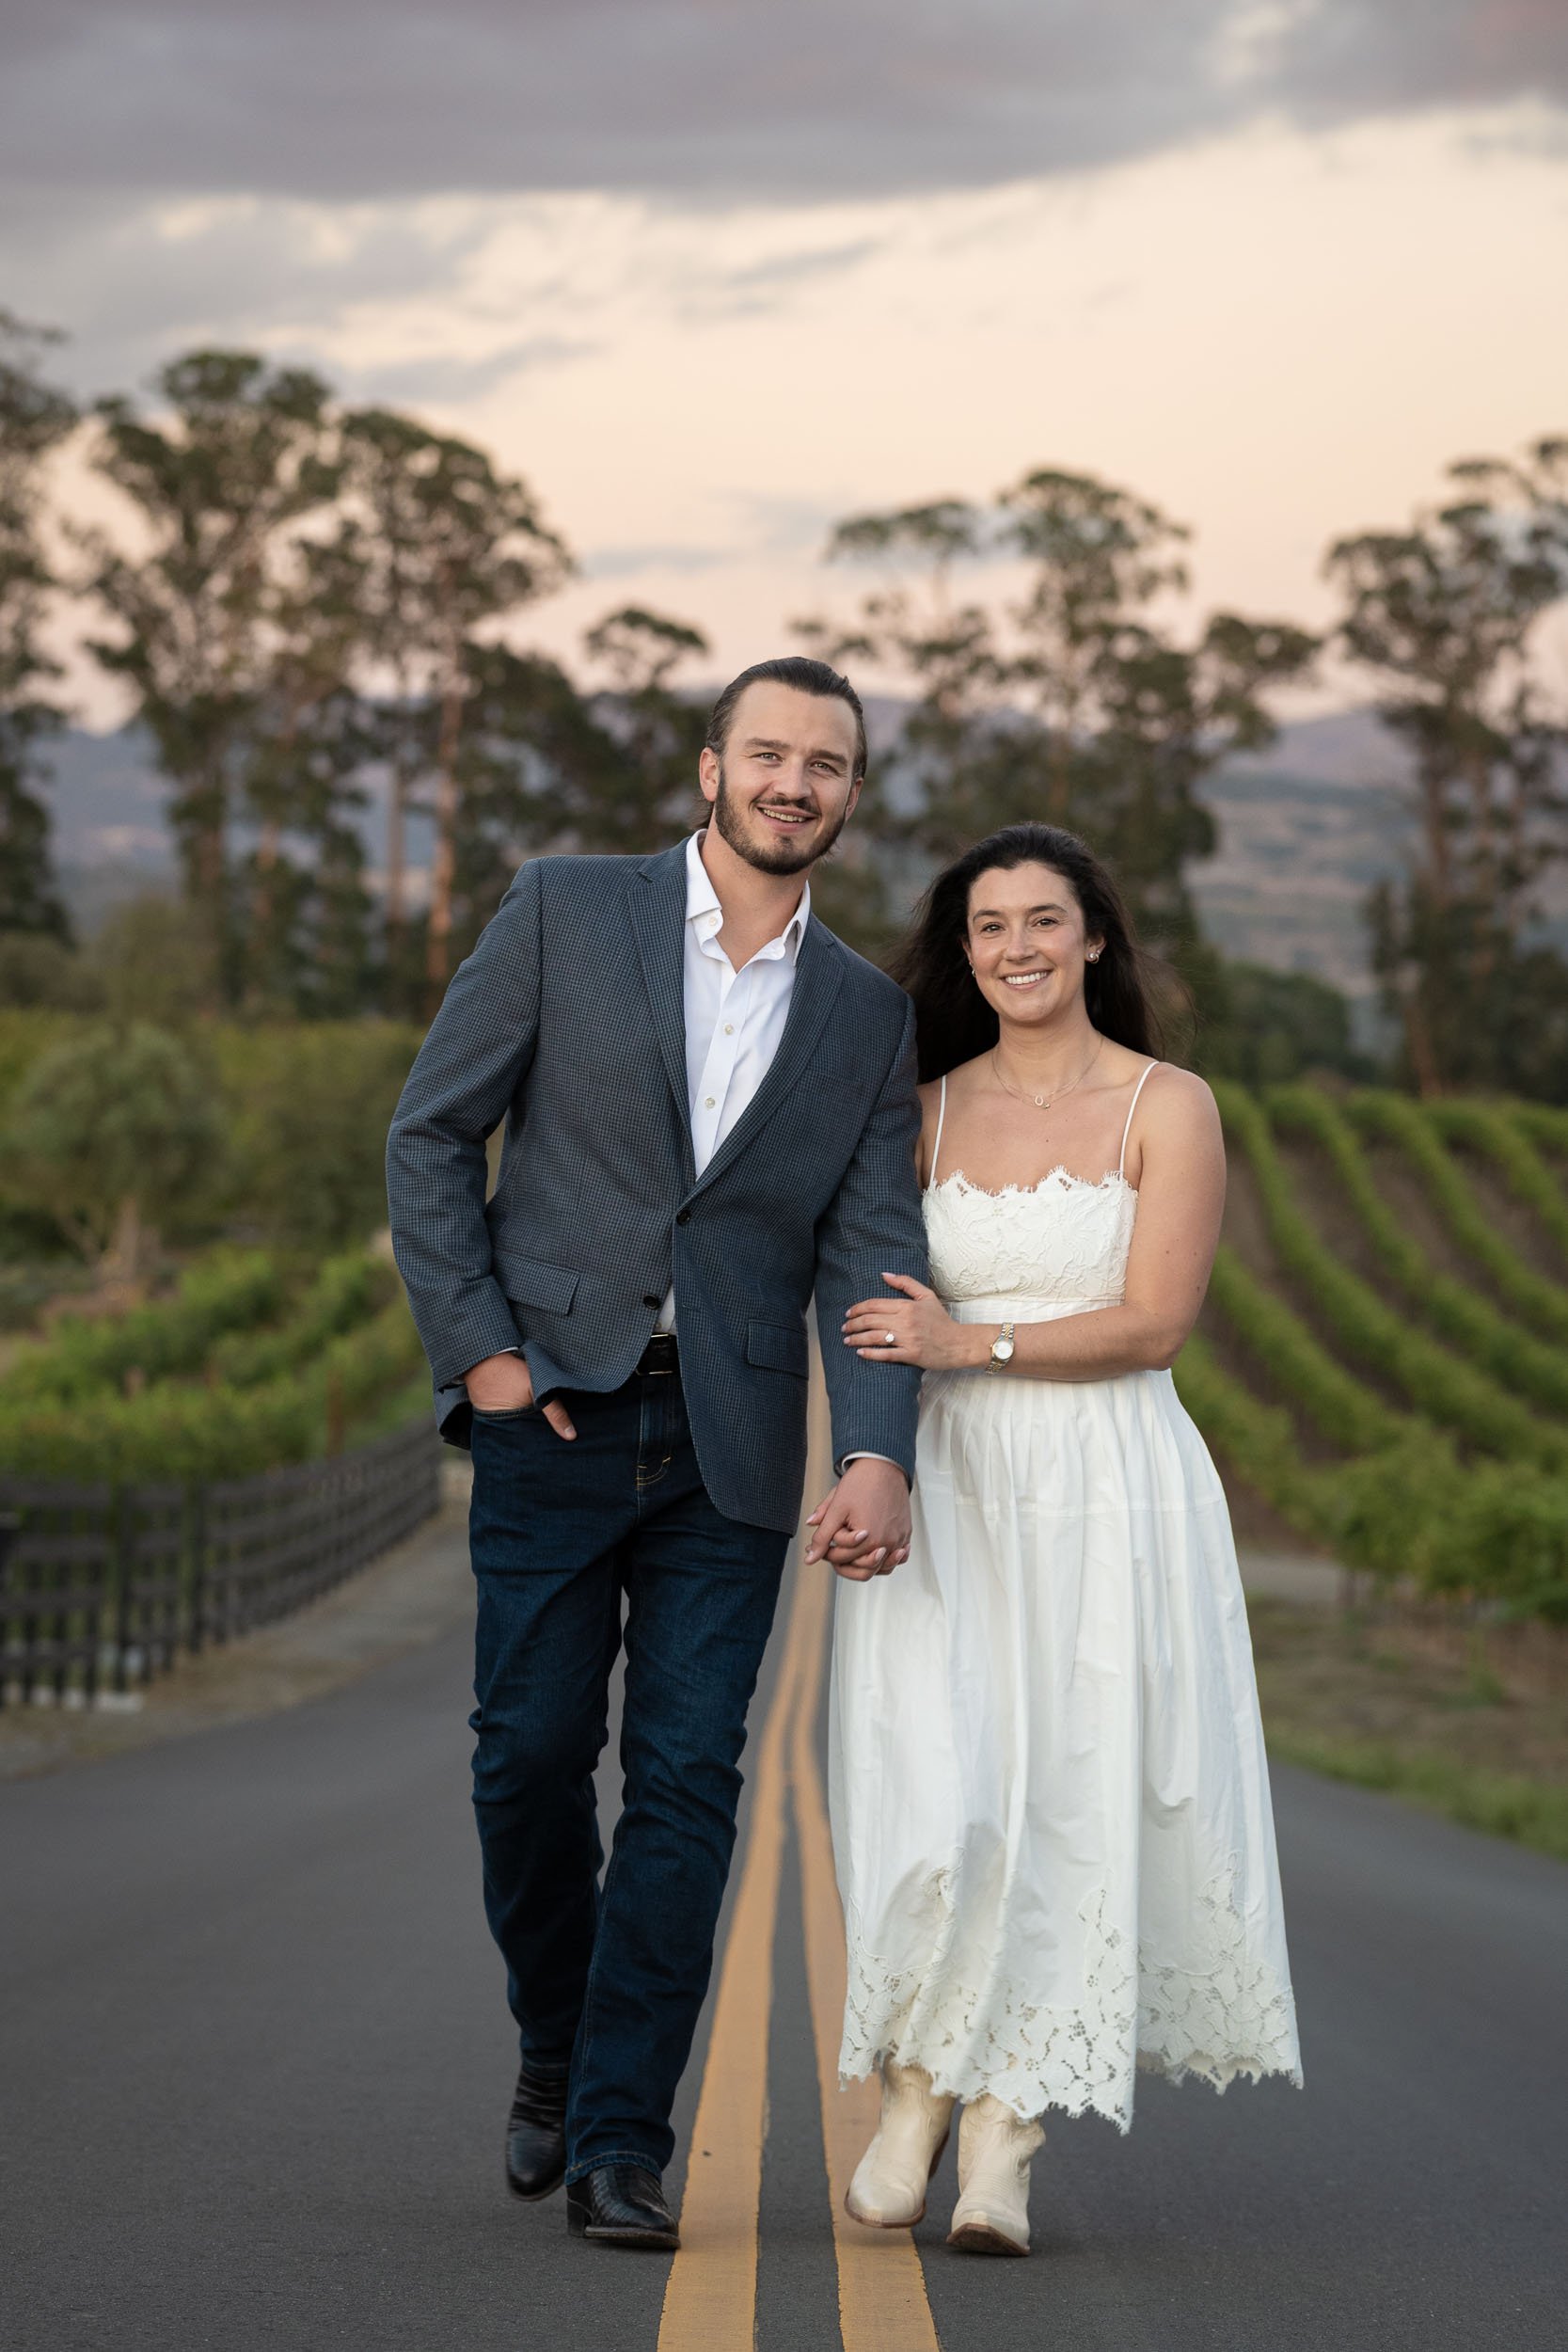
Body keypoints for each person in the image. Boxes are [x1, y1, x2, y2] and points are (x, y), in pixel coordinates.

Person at [386, 657, 926, 2251]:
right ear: (710, 769)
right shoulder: (563, 908)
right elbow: (432, 1132)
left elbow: (873, 1253)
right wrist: (483, 1359)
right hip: (547, 1406)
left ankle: (625, 2136)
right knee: (530, 1761)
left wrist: (878, 1450)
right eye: (768, 753)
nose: (794, 783)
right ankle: (557, 2039)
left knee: (688, 1786)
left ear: (847, 793)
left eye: (825, 764)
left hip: (734, 1442)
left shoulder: (867, 1014)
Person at [828, 821, 1301, 2259]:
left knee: (1073, 1801)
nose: (1018, 948)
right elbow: (871, 1303)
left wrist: (972, 1340)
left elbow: (1155, 1320)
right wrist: (878, 1445)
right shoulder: (920, 1107)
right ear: (962, 953)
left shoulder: (1172, 1105)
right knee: (942, 1792)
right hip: (953, 1482)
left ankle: (1006, 2140)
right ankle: (915, 2089)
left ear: (1097, 936)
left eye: (1046, 920)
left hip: (1110, 1483)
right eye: (990, 928)